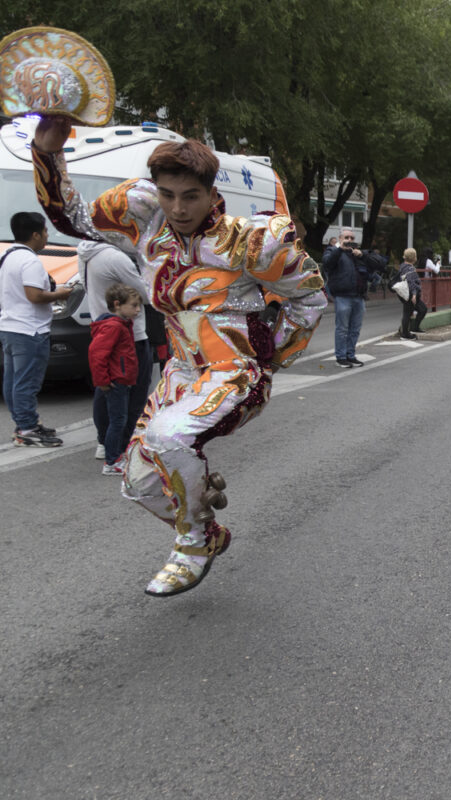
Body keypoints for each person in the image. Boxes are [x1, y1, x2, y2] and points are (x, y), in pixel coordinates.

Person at [32, 116, 327, 597]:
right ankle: (207, 530)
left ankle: (191, 546)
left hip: (236, 371)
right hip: (180, 374)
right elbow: (73, 217)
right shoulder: (145, 219)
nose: (178, 207)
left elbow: (310, 297)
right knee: (139, 483)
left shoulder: (250, 242)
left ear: (212, 193)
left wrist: (273, 354)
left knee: (169, 439)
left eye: (190, 196)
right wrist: (47, 153)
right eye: (168, 194)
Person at [0, 211, 74, 446]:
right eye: (44, 231)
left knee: (13, 380)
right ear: (34, 234)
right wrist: (60, 294)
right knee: (26, 382)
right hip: (29, 330)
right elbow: (35, 295)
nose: (46, 236)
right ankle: (27, 429)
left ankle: (25, 422)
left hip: (10, 327)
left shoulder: (8, 255)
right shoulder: (30, 260)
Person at [79, 240, 153, 458]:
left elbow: (86, 287)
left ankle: (106, 442)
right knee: (132, 394)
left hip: (102, 322)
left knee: (106, 396)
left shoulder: (85, 254)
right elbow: (148, 296)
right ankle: (120, 448)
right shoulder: (117, 258)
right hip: (132, 335)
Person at [88, 284, 141, 474]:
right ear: (117, 304)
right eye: (134, 305)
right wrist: (102, 380)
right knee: (118, 420)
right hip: (116, 381)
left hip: (120, 379)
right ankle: (111, 461)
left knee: (117, 419)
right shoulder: (114, 327)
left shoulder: (121, 324)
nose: (137, 310)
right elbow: (97, 353)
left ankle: (114, 455)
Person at [323, 229, 384, 367]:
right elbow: (327, 264)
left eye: (352, 237)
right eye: (346, 237)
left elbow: (378, 265)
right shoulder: (333, 251)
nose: (349, 240)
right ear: (340, 239)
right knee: (342, 328)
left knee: (355, 329)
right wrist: (340, 250)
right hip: (342, 296)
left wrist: (362, 255)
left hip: (359, 296)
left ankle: (350, 355)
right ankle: (341, 357)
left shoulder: (358, 254)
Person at [395, 248, 425, 338]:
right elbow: (411, 282)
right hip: (410, 294)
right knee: (410, 312)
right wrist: (414, 294)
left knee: (412, 311)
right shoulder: (410, 268)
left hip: (404, 293)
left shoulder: (402, 266)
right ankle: (405, 333)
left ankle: (409, 329)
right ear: (413, 257)